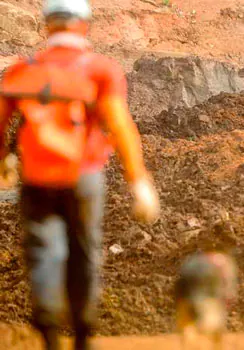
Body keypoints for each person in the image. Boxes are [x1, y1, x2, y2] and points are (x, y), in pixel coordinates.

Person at [0, 0, 160, 349]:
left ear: (47, 26)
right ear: (84, 25)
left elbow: (1, 121)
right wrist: (139, 181)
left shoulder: (21, 70)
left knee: (44, 250)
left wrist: (4, 161)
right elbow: (119, 126)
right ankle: (84, 334)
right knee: (84, 250)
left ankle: (49, 330)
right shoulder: (100, 69)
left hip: (37, 177)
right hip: (84, 175)